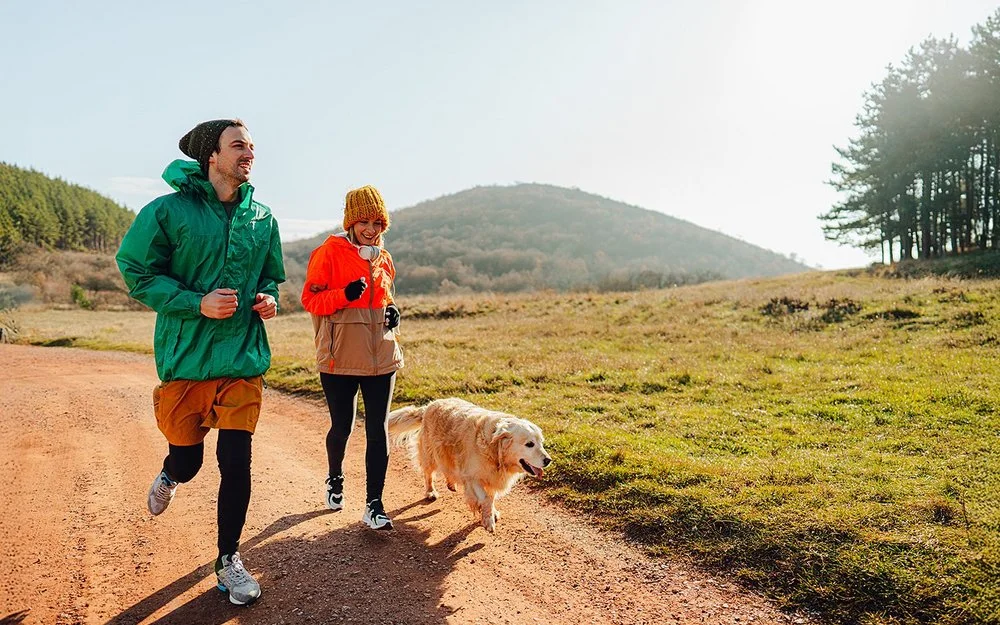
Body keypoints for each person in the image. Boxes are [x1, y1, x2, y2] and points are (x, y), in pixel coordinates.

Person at [116, 119, 284, 606]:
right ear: (212, 155)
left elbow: (271, 278)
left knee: (237, 462)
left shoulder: (263, 217)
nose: (249, 153)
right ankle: (170, 474)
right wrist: (196, 302)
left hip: (242, 358)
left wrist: (268, 299)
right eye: (239, 146)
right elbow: (136, 270)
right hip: (187, 358)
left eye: (252, 145)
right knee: (188, 462)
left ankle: (228, 560)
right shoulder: (168, 211)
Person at [301, 185, 404, 530]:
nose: (371, 229)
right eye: (364, 221)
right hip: (339, 357)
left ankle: (374, 504)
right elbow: (311, 301)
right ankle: (335, 477)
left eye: (378, 222)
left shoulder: (384, 258)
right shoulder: (328, 253)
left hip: (382, 354)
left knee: (378, 429)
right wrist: (343, 295)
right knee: (342, 426)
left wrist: (393, 313)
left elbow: (387, 298)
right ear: (350, 221)